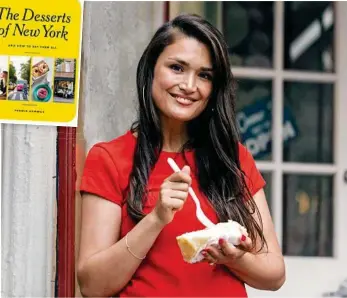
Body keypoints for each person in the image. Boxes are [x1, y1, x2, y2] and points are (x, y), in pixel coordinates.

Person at [77, 14, 285, 297]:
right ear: (151, 70)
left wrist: (235, 258)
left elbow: (274, 274)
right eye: (177, 68)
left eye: (204, 75)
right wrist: (156, 218)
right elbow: (92, 285)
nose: (189, 85)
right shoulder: (110, 158)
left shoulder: (232, 159)